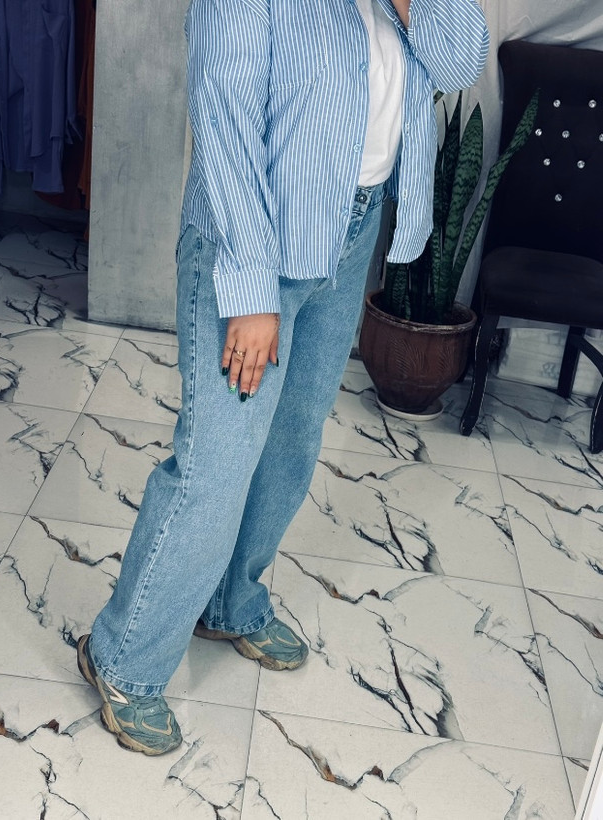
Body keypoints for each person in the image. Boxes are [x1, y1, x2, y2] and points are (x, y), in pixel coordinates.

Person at [77, 0, 489, 755]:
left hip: (349, 232)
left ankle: (230, 602)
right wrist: (251, 293)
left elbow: (460, 59)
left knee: (291, 444)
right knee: (217, 464)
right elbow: (224, 127)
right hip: (253, 241)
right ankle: (122, 658)